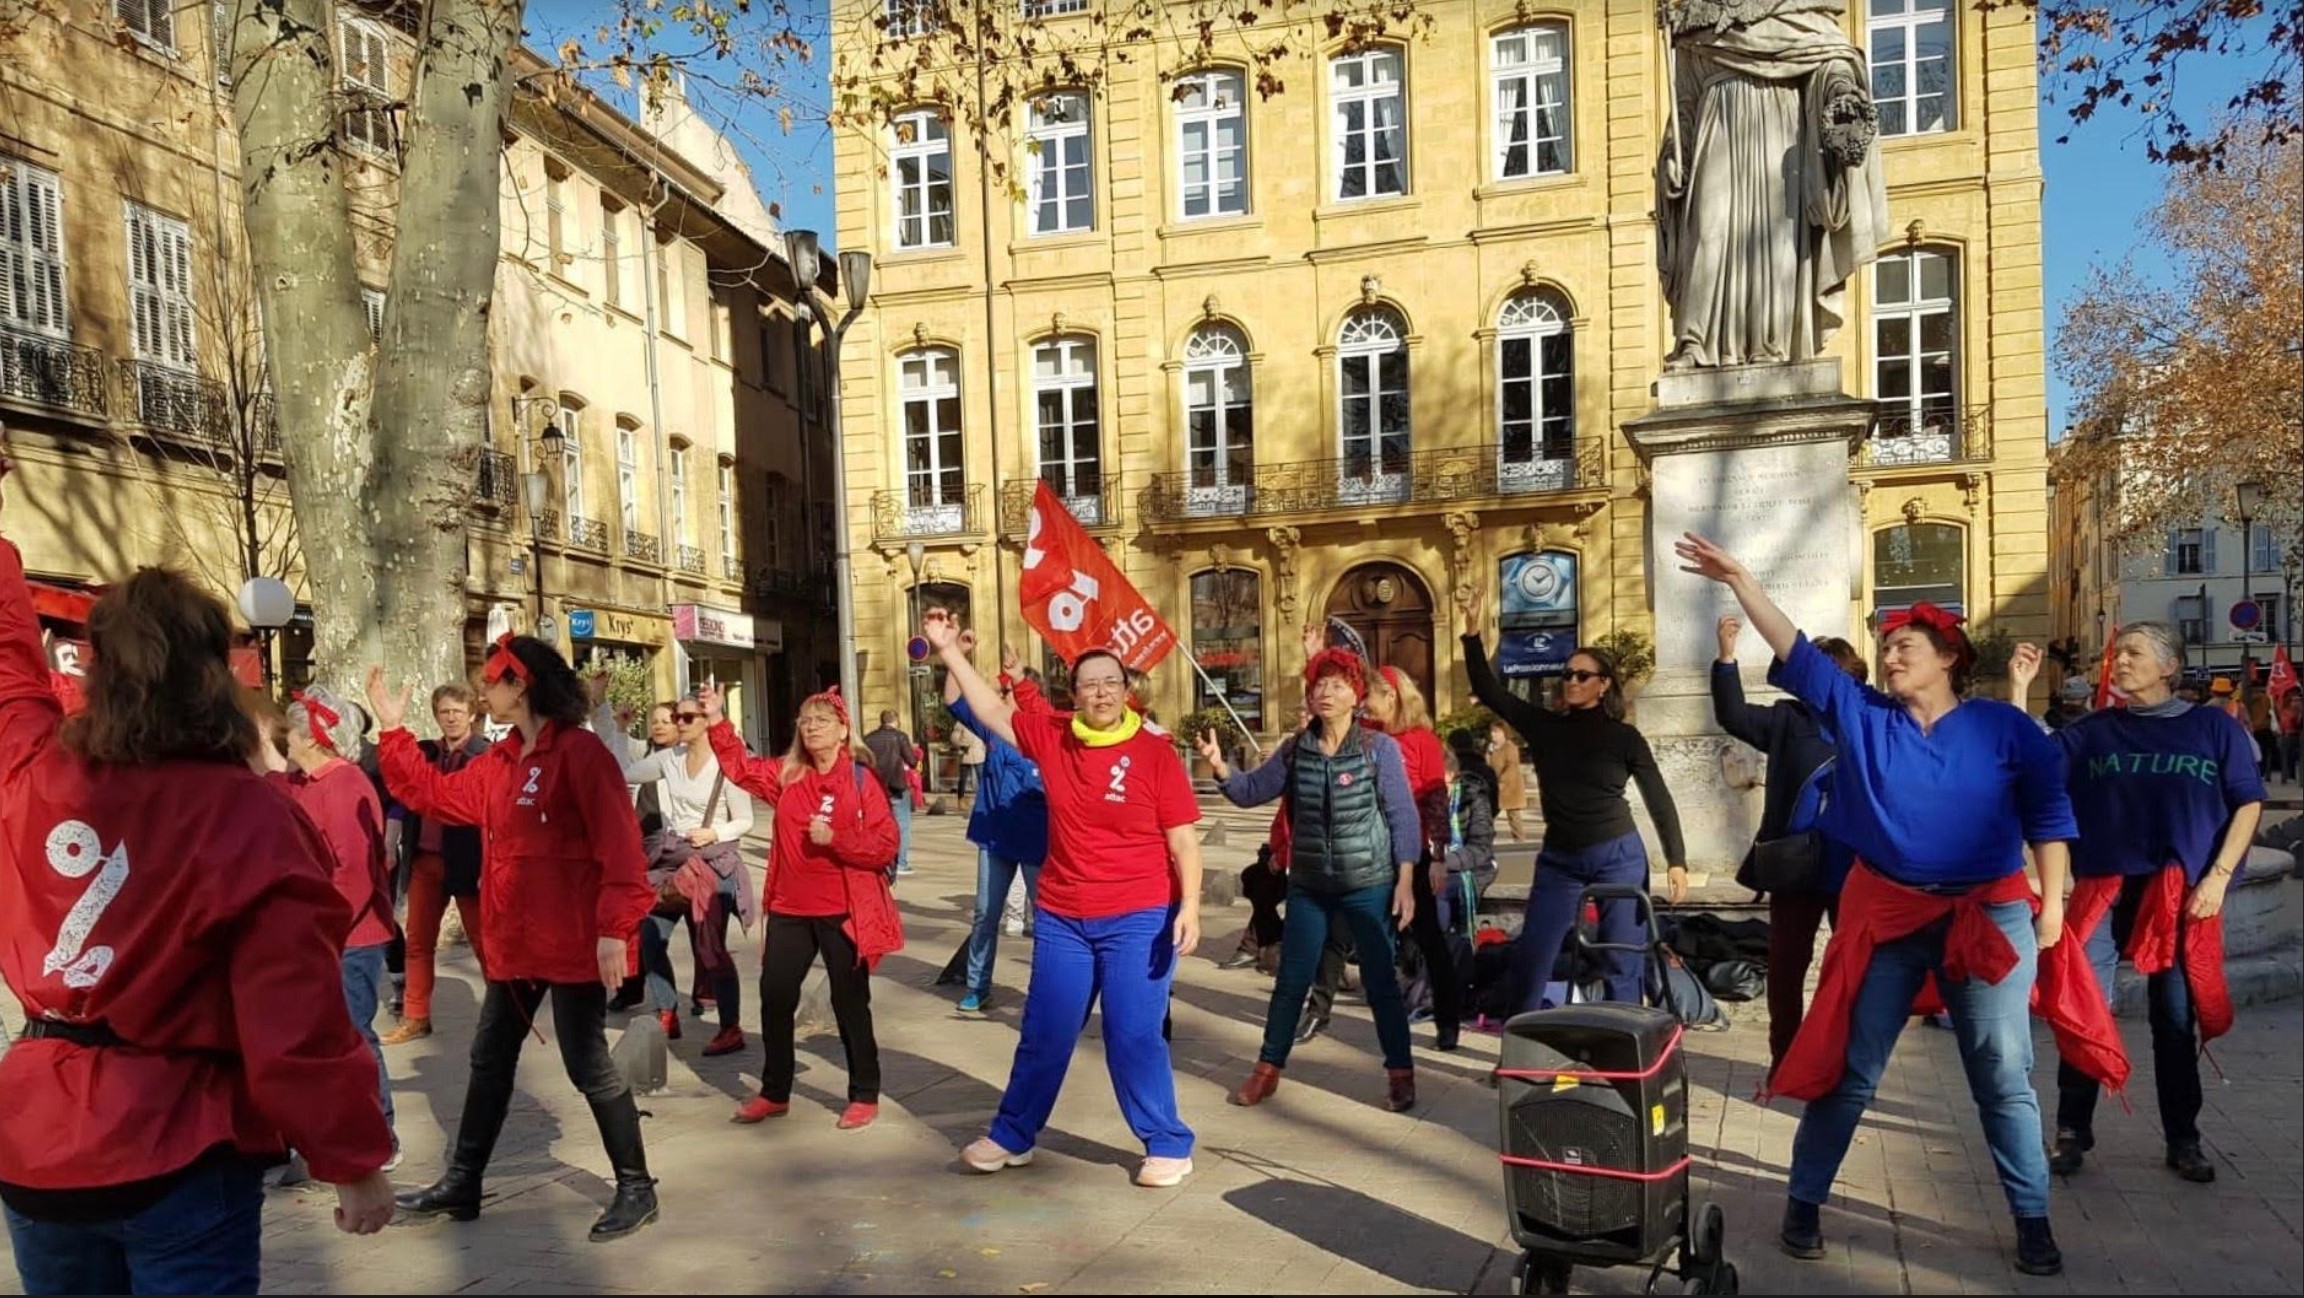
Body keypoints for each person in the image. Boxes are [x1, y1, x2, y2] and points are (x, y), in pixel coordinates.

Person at [0, 496, 394, 1293]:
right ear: (215, 674)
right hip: (177, 1133)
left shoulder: (31, 774)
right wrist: (350, 1159)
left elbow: (6, 672)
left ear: (95, 668)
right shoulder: (249, 815)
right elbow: (296, 1021)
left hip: (39, 1138)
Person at [1675, 531, 2090, 1277]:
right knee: (1852, 1069)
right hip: (1891, 920)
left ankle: (2032, 1219)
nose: (1892, 655)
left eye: (1907, 646)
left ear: (1949, 659)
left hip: (1988, 920)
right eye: (1888, 646)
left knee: (2001, 1075)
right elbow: (1796, 647)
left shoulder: (2004, 728)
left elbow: (2050, 819)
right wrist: (1739, 577)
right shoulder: (1862, 716)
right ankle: (1803, 1204)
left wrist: (2052, 907)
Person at [367, 636, 660, 1242]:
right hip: (518, 942)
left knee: (588, 1065)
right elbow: (436, 797)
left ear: (519, 685)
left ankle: (636, 1187)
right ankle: (464, 1181)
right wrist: (393, 733)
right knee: (488, 1059)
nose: (482, 693)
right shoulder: (499, 763)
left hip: (576, 941)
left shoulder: (581, 755)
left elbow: (621, 848)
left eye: (490, 682)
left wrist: (613, 930)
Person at [926, 611, 1204, 1188]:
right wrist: (949, 651)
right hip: (1063, 914)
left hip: (1139, 914)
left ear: (1125, 690)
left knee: (1131, 1033)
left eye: (1110, 682)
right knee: (1046, 1030)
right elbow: (992, 711)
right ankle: (1013, 1135)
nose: (1100, 692)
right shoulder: (1052, 735)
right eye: (1088, 684)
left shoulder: (1154, 752)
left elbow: (1182, 840)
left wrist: (1191, 908)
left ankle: (1166, 1141)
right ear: (1073, 694)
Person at [2011, 627, 2265, 1184]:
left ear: (2169, 666)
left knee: (2174, 1019)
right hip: (2104, 888)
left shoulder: (2213, 728)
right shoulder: (2093, 732)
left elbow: (2248, 803)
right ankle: (2072, 1131)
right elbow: (2027, 766)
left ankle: (2184, 1139)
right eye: (2116, 654)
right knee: (2085, 1010)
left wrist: (2219, 878)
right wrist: (2020, 691)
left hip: (2177, 894)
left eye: (2134, 653)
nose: (2120, 662)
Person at [1204, 648, 1424, 1111]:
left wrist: (1405, 880)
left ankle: (1400, 1074)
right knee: (1291, 981)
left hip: (1368, 883)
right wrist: (1222, 769)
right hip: (1309, 887)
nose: (1326, 691)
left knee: (1381, 982)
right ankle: (1267, 1070)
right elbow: (1250, 792)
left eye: (1338, 684)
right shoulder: (1295, 749)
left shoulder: (1378, 749)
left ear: (1356, 696)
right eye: (1319, 684)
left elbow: (1402, 816)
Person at [1460, 590, 1689, 1012]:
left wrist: (1676, 860)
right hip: (1560, 859)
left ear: (1604, 685)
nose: (1571, 681)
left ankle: (1625, 1056)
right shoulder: (1545, 726)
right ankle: (1521, 1052)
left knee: (1622, 959)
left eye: (1582, 675)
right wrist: (1472, 632)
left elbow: (1658, 798)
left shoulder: (1625, 738)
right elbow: (1489, 690)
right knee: (1533, 956)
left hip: (1617, 853)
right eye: (1567, 674)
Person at [707, 684, 901, 1130]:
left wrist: (838, 840)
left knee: (849, 1001)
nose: (811, 727)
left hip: (843, 909)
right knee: (775, 996)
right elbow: (740, 768)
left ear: (842, 730)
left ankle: (864, 1093)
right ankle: (775, 1091)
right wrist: (718, 721)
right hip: (791, 909)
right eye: (805, 720)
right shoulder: (788, 774)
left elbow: (886, 844)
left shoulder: (860, 779)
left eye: (822, 721)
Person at [1656, 0, 1890, 370]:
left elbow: (1831, 59)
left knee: (1777, 241)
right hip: (1715, 135)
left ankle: (1772, 345)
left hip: (1780, 133)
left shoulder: (1795, 7)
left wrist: (1841, 93)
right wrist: (1673, 152)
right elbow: (1684, 100)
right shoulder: (1695, 21)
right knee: (1707, 234)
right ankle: (1696, 344)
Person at [1711, 613, 1866, 1073]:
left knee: (1853, 969)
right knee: (1786, 967)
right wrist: (1726, 656)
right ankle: (1786, 1059)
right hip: (1795, 863)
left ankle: (1844, 1057)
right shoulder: (1787, 718)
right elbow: (1733, 715)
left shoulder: (1867, 718)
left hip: (1855, 865)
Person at [276, 685, 400, 1167]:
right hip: (310, 936)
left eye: (292, 735)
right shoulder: (300, 783)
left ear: (314, 739)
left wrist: (326, 929)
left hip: (350, 938)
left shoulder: (347, 784)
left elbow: (355, 871)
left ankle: (380, 1134)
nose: (287, 743)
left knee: (353, 1034)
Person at [597, 688, 756, 1058]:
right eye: (678, 717)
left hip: (713, 861)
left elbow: (745, 819)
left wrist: (716, 832)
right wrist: (619, 731)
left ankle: (730, 1027)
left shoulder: (725, 762)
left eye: (687, 718)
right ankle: (667, 1010)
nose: (679, 723)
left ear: (705, 722)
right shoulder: (669, 759)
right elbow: (623, 775)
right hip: (671, 861)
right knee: (650, 936)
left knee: (711, 948)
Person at [382, 684, 490, 1045]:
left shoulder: (486, 755)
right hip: (426, 860)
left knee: (484, 942)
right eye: (445, 711)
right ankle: (416, 1016)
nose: (451, 717)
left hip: (468, 861)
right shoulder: (426, 753)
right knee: (418, 941)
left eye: (458, 711)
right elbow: (400, 791)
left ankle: (501, 1015)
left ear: (472, 714)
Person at [947, 636, 1048, 1014]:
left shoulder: (1046, 741)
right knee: (986, 914)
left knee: (1046, 922)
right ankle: (978, 985)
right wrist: (956, 650)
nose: (1000, 696)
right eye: (1002, 690)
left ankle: (1042, 991)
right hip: (993, 839)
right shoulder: (992, 730)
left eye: (1007, 690)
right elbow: (954, 700)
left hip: (1038, 844)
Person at [864, 709, 919, 878]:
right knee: (902, 825)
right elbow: (911, 760)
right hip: (896, 785)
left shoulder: (868, 738)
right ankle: (901, 862)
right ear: (895, 720)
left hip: (875, 787)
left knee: (876, 824)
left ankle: (879, 859)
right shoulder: (900, 736)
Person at [1488, 720, 1527, 841]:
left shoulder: (1510, 747)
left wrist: (1502, 781)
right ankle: (1485, 839)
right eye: (1492, 732)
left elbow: (1512, 766)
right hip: (1495, 786)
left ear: (1504, 733)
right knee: (1489, 815)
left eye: (1497, 732)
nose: (1493, 734)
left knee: (1514, 816)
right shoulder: (1491, 748)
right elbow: (1488, 765)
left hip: (1510, 787)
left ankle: (1520, 841)